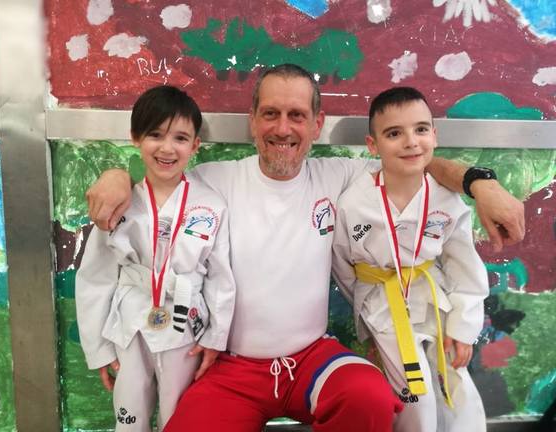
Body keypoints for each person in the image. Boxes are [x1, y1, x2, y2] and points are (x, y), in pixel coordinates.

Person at [86, 64, 525, 431]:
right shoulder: (211, 181)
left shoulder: (340, 176)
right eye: (270, 114)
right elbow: (158, 182)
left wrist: (480, 183)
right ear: (252, 120)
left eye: (296, 115)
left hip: (313, 357)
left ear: (316, 123)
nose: (282, 128)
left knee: (369, 398)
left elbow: (419, 163)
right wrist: (116, 177)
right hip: (233, 369)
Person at [75, 85, 235, 432]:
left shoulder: (211, 205)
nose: (167, 148)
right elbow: (95, 276)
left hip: (186, 327)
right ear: (135, 138)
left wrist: (215, 338)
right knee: (129, 414)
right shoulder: (118, 203)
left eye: (180, 138)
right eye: (155, 135)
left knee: (181, 416)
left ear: (195, 145)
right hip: (129, 325)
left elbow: (220, 277)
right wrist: (98, 349)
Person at [332, 87, 488, 432]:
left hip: (434, 300)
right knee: (417, 396)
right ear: (373, 145)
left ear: (434, 135)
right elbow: (343, 266)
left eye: (420, 129)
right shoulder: (354, 203)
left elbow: (464, 266)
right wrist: (364, 314)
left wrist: (463, 326)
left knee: (456, 383)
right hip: (382, 306)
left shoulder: (447, 200)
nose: (411, 142)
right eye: (394, 133)